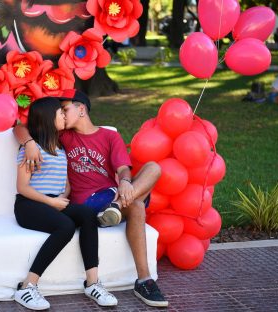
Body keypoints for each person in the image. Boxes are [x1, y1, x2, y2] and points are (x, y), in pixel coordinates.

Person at [14, 90, 168, 308]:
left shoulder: (109, 136)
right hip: (86, 203)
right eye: (61, 113)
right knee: (135, 205)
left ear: (81, 109)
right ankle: (144, 280)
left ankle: (138, 276)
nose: (64, 116)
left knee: (152, 169)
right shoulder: (62, 136)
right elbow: (21, 127)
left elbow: (123, 168)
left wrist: (125, 182)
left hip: (112, 197)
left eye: (65, 110)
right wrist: (29, 143)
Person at [13, 97, 118, 310]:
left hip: (54, 200)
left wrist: (64, 196)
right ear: (48, 118)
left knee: (87, 215)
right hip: (29, 204)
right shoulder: (31, 149)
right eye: (60, 112)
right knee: (66, 226)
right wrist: (51, 202)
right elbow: (22, 188)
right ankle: (27, 286)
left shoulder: (60, 148)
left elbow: (66, 182)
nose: (63, 115)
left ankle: (92, 283)